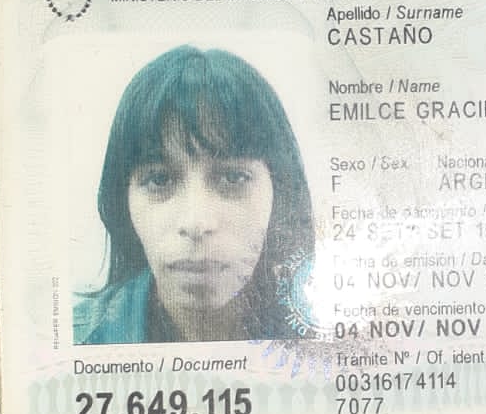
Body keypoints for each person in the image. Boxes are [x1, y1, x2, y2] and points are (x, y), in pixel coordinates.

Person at [73, 46, 315, 345]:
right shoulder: (74, 340)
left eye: (233, 178)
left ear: (280, 194)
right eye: (160, 179)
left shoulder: (331, 333)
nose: (196, 223)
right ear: (123, 201)